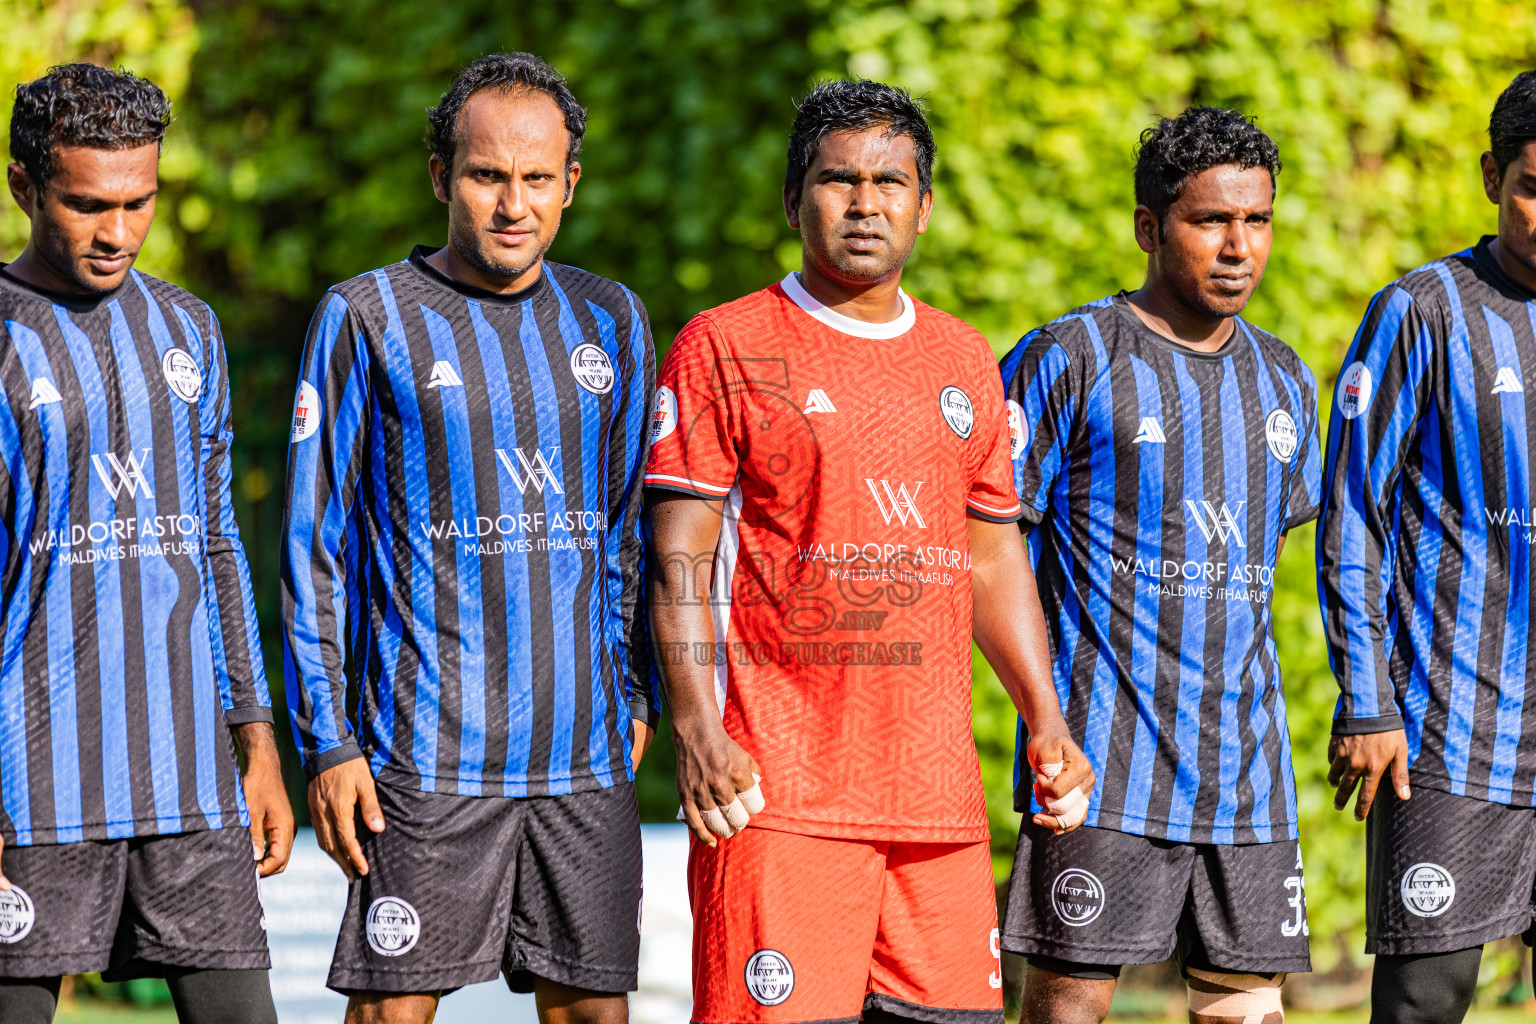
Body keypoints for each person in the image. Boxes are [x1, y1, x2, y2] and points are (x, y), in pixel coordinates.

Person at [645, 78, 1092, 1024]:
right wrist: (695, 727)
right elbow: (679, 557)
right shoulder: (725, 345)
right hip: (777, 797)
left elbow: (992, 556)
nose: (864, 203)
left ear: (923, 208)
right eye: (838, 180)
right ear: (794, 198)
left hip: (938, 807)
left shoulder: (965, 358)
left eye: (890, 182)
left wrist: (1044, 716)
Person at [282, 53, 656, 1024]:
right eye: (489, 175)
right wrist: (328, 739)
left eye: (538, 178)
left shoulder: (611, 319)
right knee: (392, 1011)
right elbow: (314, 543)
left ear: (571, 182)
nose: (513, 203)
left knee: (594, 1011)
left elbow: (628, 533)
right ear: (443, 174)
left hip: (584, 757)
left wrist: (639, 690)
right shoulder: (366, 316)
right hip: (424, 756)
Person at [998, 107, 1320, 1024]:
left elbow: (1263, 564)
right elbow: (994, 549)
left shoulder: (1286, 380)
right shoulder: (1069, 358)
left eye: (1256, 221)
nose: (1238, 246)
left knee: (1245, 1013)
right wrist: (1043, 720)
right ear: (1148, 228)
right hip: (1103, 767)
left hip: (1249, 778)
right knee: (1067, 1009)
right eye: (1210, 220)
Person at [0, 64, 293, 1024]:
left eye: (140, 202)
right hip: (30, 783)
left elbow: (215, 548)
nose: (117, 230)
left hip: (190, 782)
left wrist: (257, 742)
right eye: (86, 204)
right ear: (23, 187)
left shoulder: (189, 330)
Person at [1318, 70, 1536, 1024]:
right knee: (1426, 999)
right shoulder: (1423, 311)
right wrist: (1367, 701)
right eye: (1535, 184)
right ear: (1492, 176)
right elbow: (1353, 511)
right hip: (1451, 730)